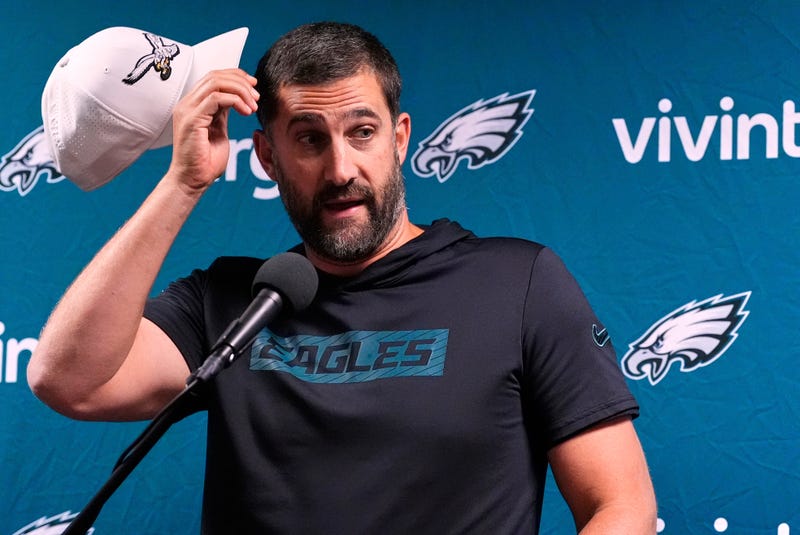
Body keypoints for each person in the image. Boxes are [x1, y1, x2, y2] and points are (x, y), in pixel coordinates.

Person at [28, 21, 657, 534]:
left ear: (400, 138)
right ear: (267, 157)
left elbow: (621, 507)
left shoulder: (518, 282)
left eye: (362, 132)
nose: (340, 169)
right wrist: (183, 183)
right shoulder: (232, 302)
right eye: (309, 140)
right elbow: (70, 382)